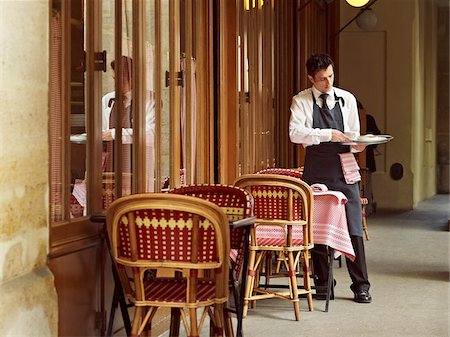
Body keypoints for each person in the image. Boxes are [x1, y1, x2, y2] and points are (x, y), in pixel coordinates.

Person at [289, 53, 372, 303]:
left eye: (331, 76)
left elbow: (353, 135)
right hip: (316, 169)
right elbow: (295, 133)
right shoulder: (300, 101)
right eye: (322, 79)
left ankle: (361, 286)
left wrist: (359, 144)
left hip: (345, 170)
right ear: (311, 79)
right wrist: (329, 134)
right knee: (318, 230)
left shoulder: (347, 99)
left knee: (354, 227)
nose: (328, 83)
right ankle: (324, 284)